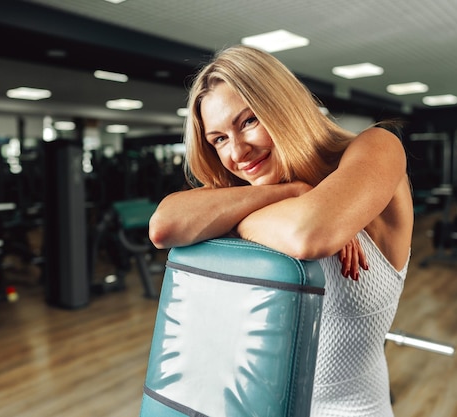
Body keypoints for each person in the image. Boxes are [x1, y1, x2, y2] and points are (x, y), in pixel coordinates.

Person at [149, 45, 413, 417]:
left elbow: (309, 234)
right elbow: (163, 227)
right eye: (219, 139)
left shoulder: (378, 145)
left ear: (282, 107)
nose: (237, 152)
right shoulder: (250, 192)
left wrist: (236, 221)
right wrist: (294, 192)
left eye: (248, 121)